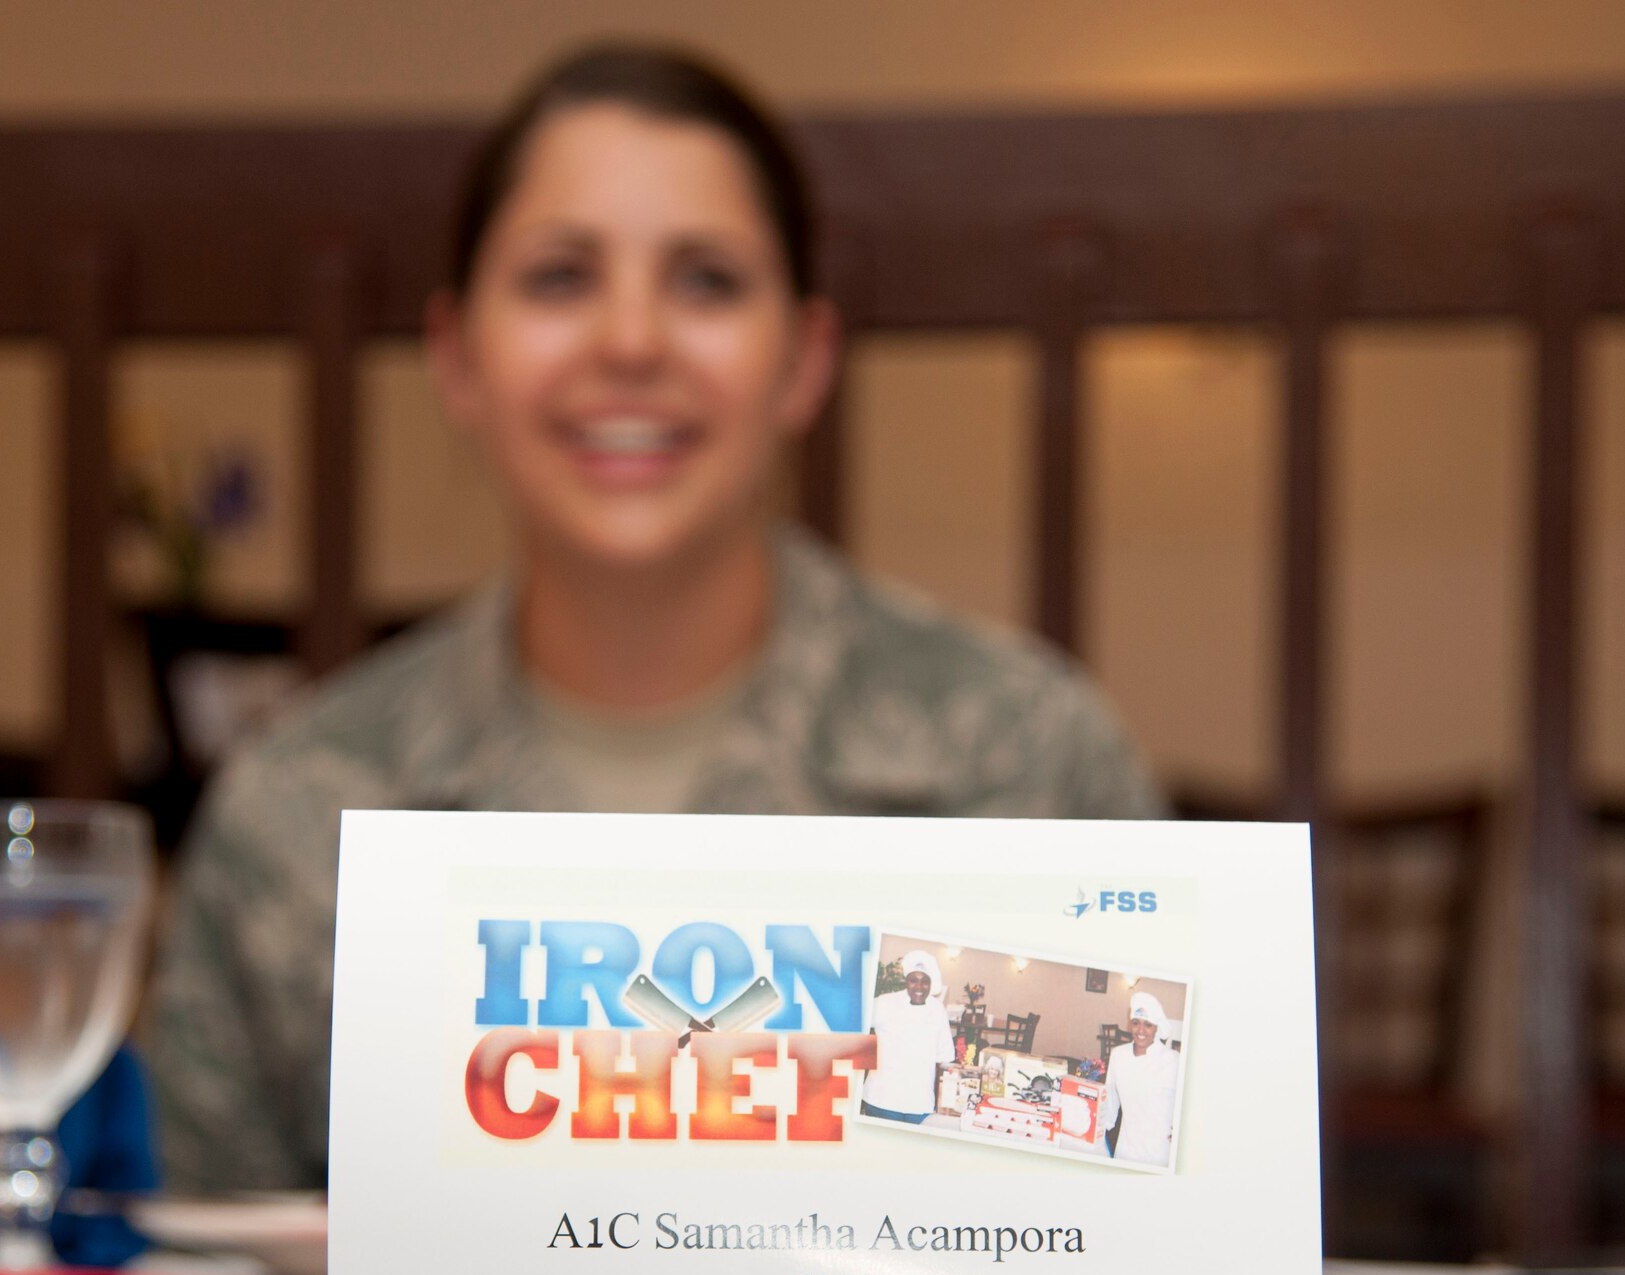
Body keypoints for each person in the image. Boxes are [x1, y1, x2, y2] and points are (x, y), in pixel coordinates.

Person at [149, 42, 1164, 1193]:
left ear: (804, 359)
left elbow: (1149, 1242)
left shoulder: (1028, 769)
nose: (630, 343)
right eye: (559, 277)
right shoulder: (301, 811)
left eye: (707, 281)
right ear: (458, 356)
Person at [861, 951, 957, 1125]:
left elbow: (945, 1057)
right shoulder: (884, 1002)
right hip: (882, 1098)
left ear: (931, 984)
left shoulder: (937, 1010)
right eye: (914, 980)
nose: (919, 987)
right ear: (906, 981)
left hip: (919, 1102)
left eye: (925, 981)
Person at [1100, 989, 1180, 1168]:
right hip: (1125, 1150)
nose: (1141, 1031)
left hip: (1160, 1153)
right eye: (1136, 1023)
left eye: (1148, 1025)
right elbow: (1109, 1104)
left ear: (1156, 1027)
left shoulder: (1173, 1060)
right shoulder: (1118, 1056)